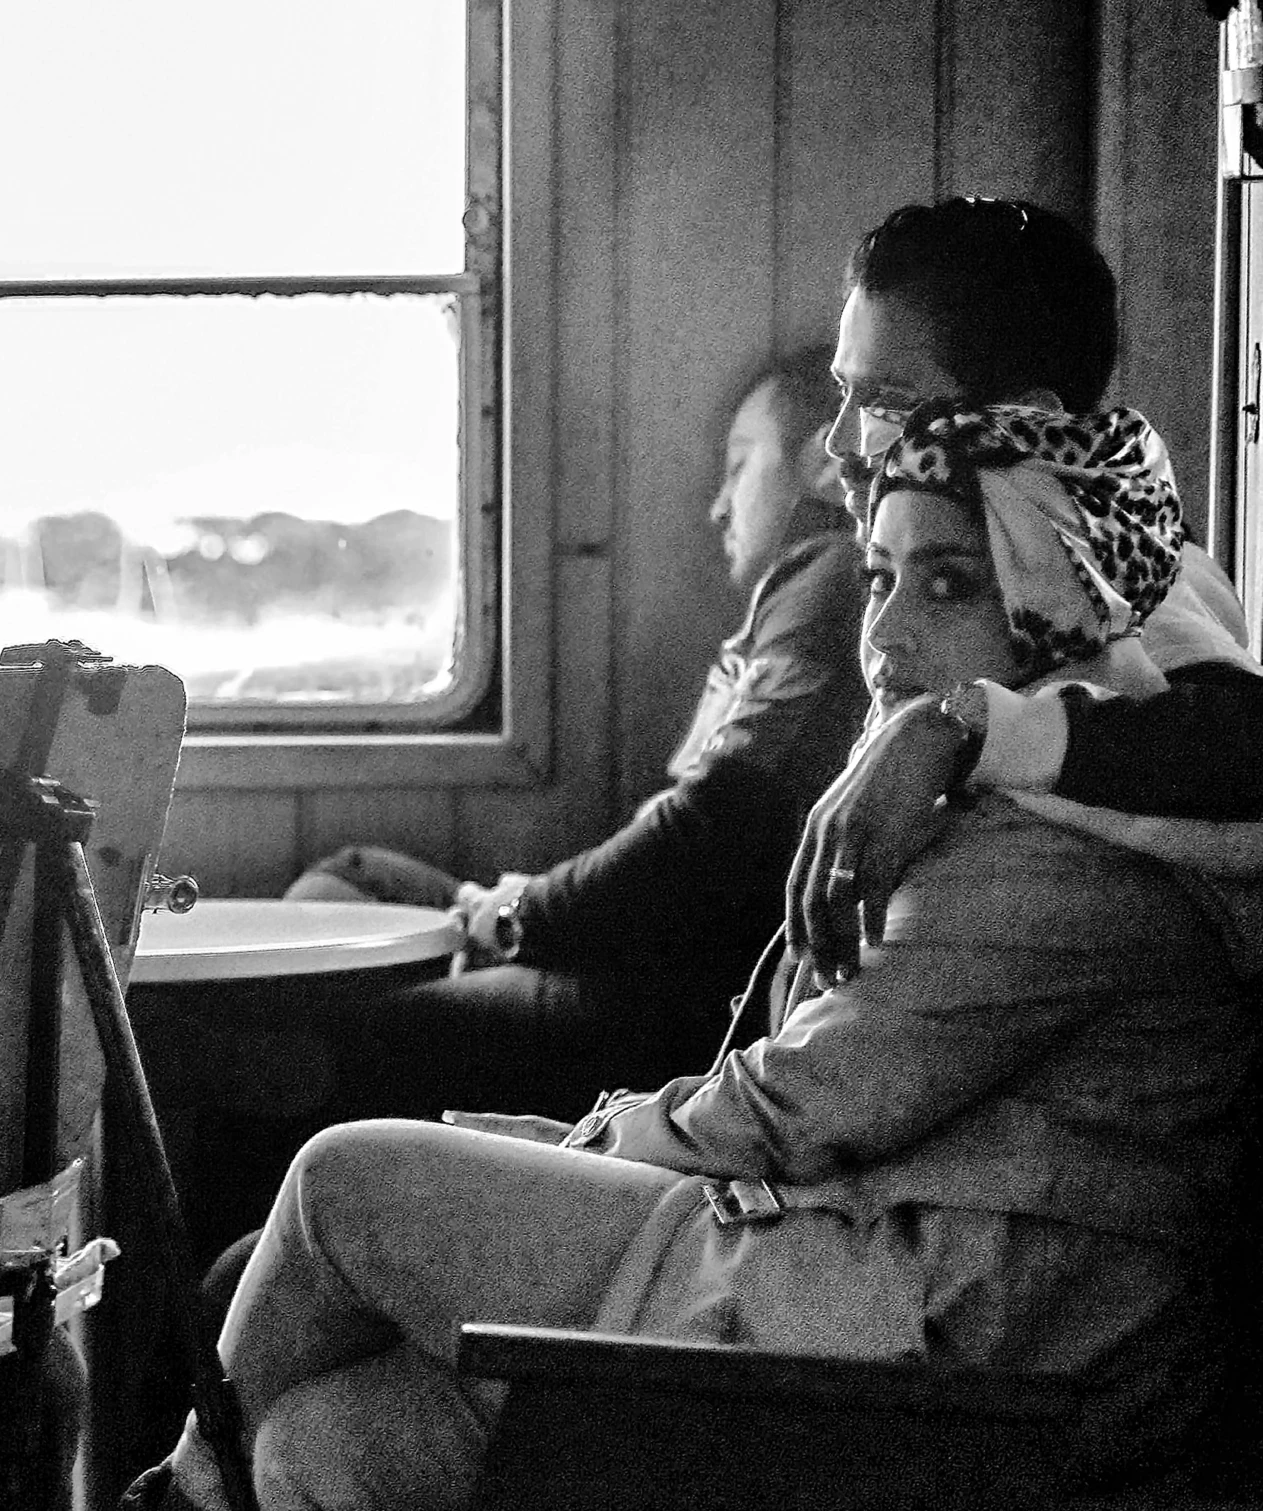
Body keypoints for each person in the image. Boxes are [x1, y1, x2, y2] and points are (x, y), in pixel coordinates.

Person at [122, 399, 1262, 1511]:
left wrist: (574, 1139)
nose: (886, 633)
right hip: (888, 1260)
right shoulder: (999, 790)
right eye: (879, 578)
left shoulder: (1061, 847)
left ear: (1062, 597)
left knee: (339, 1181)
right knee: (320, 1440)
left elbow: (800, 1111)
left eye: (951, 582)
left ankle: (169, 1497)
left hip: (981, 1331)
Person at [284, 347, 867, 1118]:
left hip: (665, 1004)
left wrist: (529, 914)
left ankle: (233, 1168)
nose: (718, 507)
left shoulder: (827, 577)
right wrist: (525, 905)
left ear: (827, 466)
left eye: (738, 465)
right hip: (633, 956)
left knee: (336, 1035)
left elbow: (713, 821)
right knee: (355, 877)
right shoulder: (799, 592)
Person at [791, 196, 1263, 974]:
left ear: (1025, 426)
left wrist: (956, 726)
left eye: (884, 403)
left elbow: (1246, 737)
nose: (840, 445)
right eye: (842, 393)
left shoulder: (1119, 584)